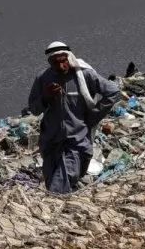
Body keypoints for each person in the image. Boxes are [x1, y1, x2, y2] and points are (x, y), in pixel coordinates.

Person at [26, 41, 121, 194]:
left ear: (69, 58)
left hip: (76, 140)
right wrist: (45, 97)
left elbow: (113, 91)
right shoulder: (43, 78)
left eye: (64, 61)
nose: (61, 66)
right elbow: (34, 109)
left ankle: (53, 211)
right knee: (52, 181)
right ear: (49, 62)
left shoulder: (83, 75)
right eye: (56, 63)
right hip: (51, 141)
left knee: (59, 186)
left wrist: (93, 116)